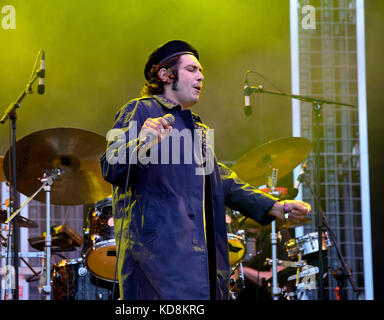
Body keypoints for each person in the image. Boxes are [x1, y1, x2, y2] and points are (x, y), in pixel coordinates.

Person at [99, 40, 311, 300]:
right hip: (156, 266)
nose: (200, 77)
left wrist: (273, 206)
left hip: (202, 267)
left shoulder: (197, 129)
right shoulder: (140, 110)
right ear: (166, 75)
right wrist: (143, 142)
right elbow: (111, 165)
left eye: (201, 72)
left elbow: (222, 180)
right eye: (192, 69)